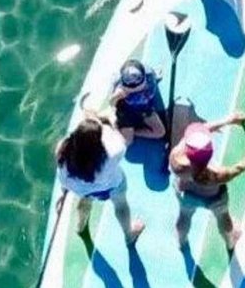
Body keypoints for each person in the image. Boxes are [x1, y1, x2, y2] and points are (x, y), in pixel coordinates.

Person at [169, 112, 245, 250]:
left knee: (184, 216)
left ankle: (181, 240)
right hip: (214, 199)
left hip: (186, 195)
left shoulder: (176, 156)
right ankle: (230, 241)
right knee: (223, 218)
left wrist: (227, 121)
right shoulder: (215, 175)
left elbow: (203, 130)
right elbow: (237, 170)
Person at [55, 115, 145, 243]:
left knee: (85, 200)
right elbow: (118, 138)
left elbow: (62, 173)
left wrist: (63, 191)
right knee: (120, 205)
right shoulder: (114, 152)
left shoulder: (62, 151)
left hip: (82, 189)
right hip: (111, 186)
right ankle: (129, 234)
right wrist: (106, 125)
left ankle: (80, 226)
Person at [109, 58, 166, 141]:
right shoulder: (118, 85)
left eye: (138, 85)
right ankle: (118, 128)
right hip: (126, 111)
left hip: (144, 109)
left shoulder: (150, 77)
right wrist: (116, 97)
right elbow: (111, 103)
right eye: (131, 87)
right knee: (128, 141)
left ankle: (134, 131)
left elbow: (148, 94)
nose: (134, 88)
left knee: (160, 132)